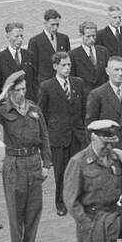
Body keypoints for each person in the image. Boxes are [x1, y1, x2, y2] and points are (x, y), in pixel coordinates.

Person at [0, 70, 53, 242]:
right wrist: (1, 96)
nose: (22, 93)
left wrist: (47, 164)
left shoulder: (34, 109)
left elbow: (45, 137)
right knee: (15, 209)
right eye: (18, 89)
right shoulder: (3, 110)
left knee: (34, 208)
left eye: (24, 88)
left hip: (33, 161)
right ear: (10, 91)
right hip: (14, 163)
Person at [37, 52, 87, 217]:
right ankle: (61, 202)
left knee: (77, 170)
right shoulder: (47, 86)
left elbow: (83, 108)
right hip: (58, 136)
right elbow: (41, 113)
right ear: (55, 66)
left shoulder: (78, 83)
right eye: (63, 65)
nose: (67, 68)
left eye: (69, 65)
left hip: (76, 135)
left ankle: (76, 199)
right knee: (60, 172)